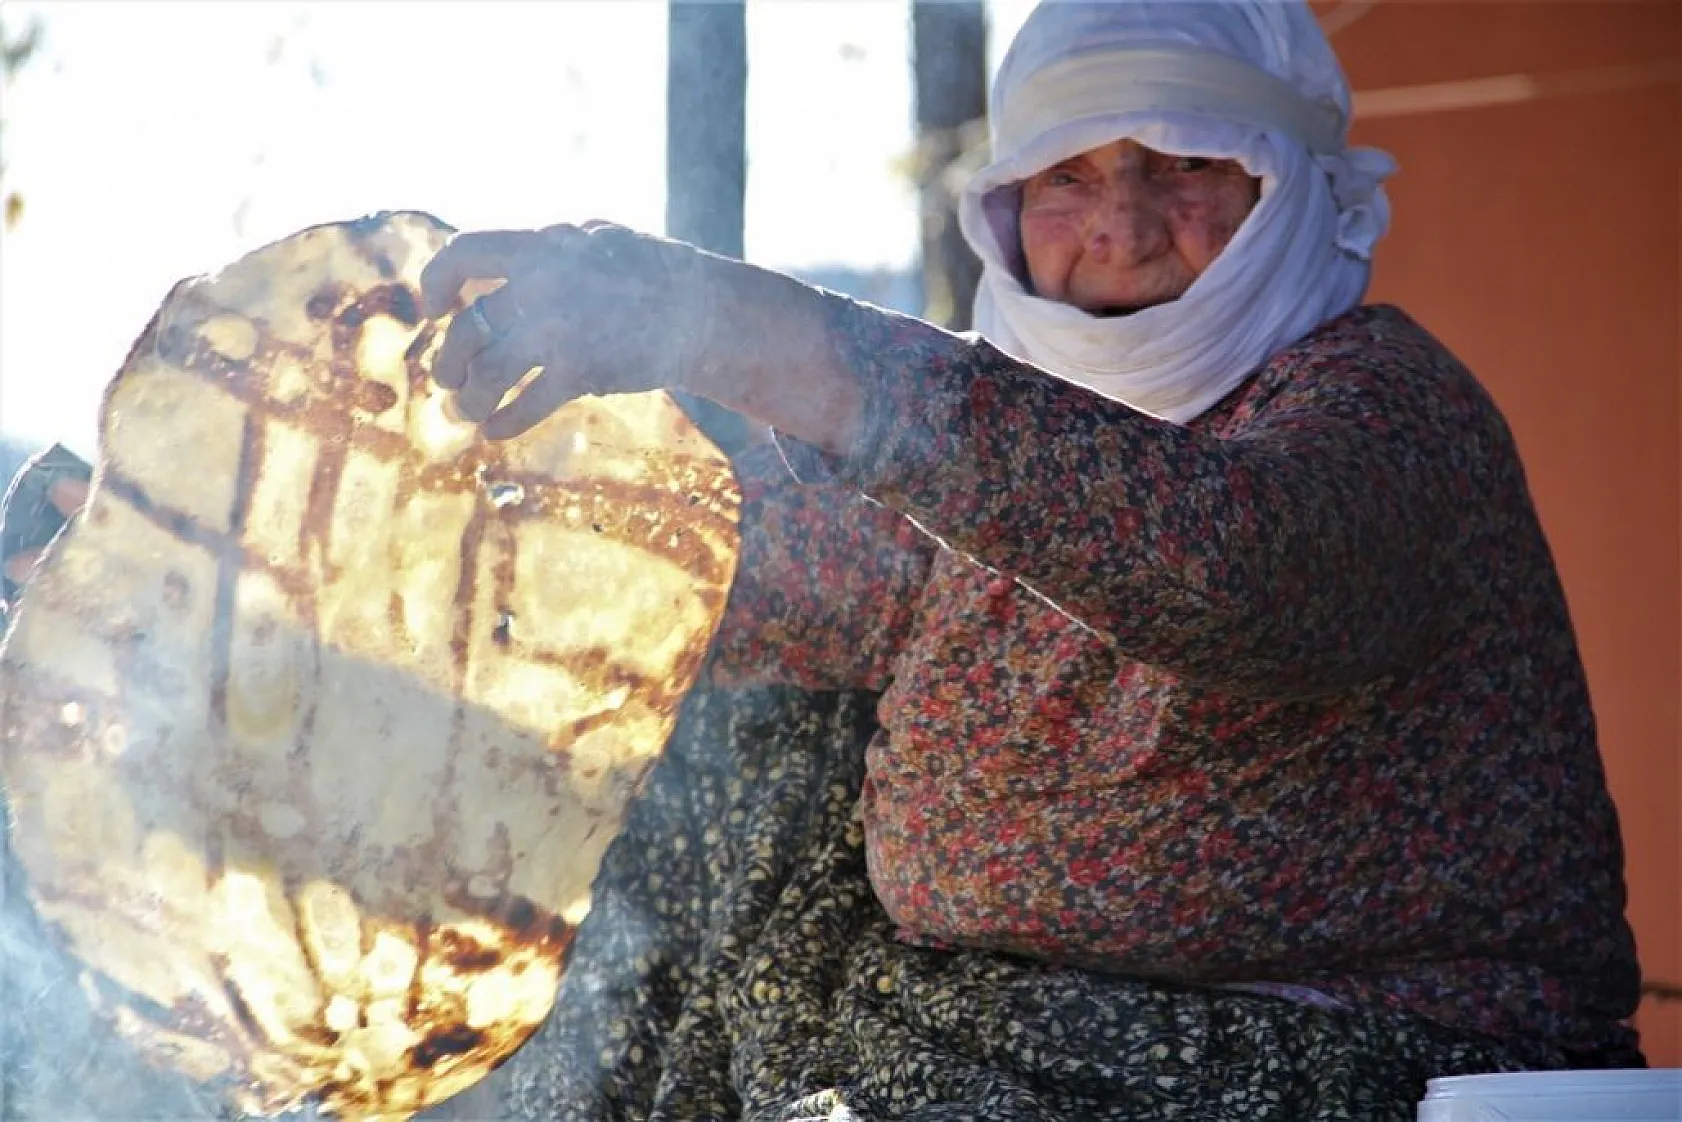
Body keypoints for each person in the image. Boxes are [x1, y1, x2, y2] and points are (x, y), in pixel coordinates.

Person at [0, 1, 1646, 1117]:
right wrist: (188, 589)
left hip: (1333, 1062)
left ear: (1292, 193)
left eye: (1186, 173)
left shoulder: (1379, 406)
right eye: (1070, 178)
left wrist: (730, 325)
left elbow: (1226, 574)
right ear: (1005, 217)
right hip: (1001, 1044)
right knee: (682, 762)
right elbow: (684, 589)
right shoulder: (998, 447)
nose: (1122, 223)